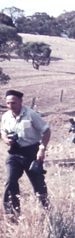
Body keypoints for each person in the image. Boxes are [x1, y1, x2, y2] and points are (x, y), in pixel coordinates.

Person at [1, 90, 50, 218]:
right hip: (14, 152)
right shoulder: (6, 116)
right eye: (8, 103)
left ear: (20, 101)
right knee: (10, 181)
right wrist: (6, 139)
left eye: (13, 103)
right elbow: (3, 131)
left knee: (38, 183)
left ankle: (46, 212)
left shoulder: (31, 115)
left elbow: (46, 131)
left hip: (31, 152)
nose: (11, 106)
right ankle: (12, 214)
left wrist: (42, 148)